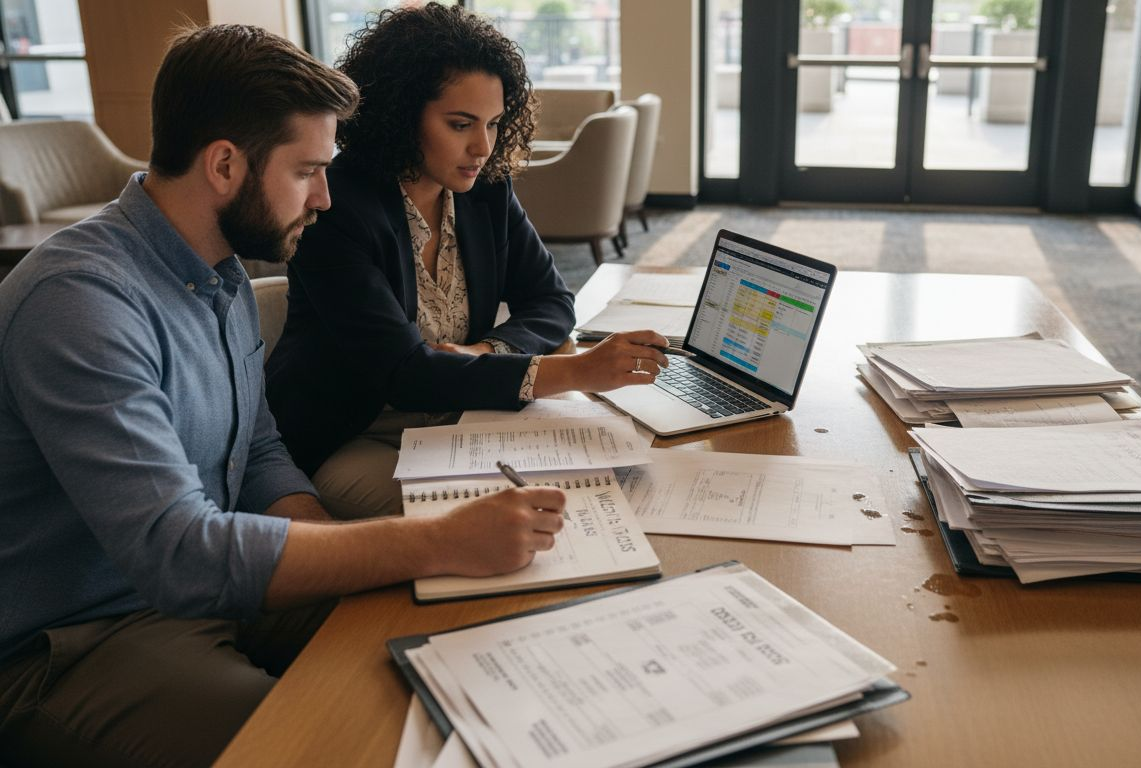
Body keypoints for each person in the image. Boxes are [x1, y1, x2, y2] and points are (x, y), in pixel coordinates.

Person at [0, 25, 566, 768]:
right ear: (227, 165)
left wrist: (344, 551)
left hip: (215, 592)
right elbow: (178, 554)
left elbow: (260, 451)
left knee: (456, 636)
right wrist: (430, 536)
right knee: (342, 744)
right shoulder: (81, 303)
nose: (327, 198)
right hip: (81, 642)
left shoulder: (220, 269)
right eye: (308, 172)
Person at [265, 3, 668, 520]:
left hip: (460, 416)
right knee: (490, 517)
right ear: (401, 113)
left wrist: (489, 348)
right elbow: (404, 374)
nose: (482, 147)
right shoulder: (334, 208)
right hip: (355, 434)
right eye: (460, 124)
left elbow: (549, 299)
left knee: (588, 485)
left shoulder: (484, 190)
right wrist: (576, 370)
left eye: (495, 124)